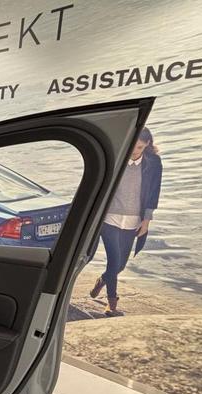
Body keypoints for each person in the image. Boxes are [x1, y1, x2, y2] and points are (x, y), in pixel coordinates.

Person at [90, 127, 162, 316]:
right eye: (132, 146)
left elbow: (154, 193)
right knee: (114, 261)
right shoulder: (116, 158)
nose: (134, 151)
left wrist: (146, 221)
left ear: (147, 144)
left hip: (133, 221)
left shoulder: (153, 163)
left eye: (139, 147)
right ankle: (111, 302)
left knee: (121, 265)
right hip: (109, 218)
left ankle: (103, 279)